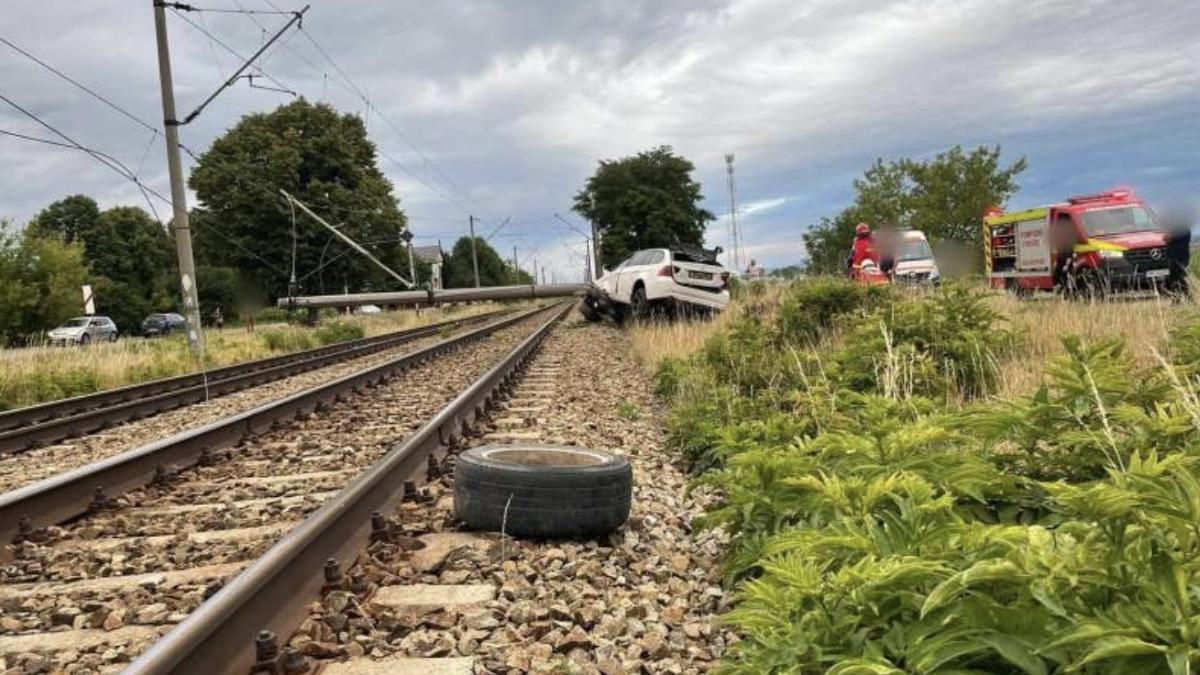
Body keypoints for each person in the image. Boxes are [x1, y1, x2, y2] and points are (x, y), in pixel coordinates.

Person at [1162, 204, 1194, 300]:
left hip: (1176, 256)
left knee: (1176, 278)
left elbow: (1166, 238)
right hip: (1182, 255)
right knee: (1177, 278)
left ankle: (1184, 298)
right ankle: (1182, 298)